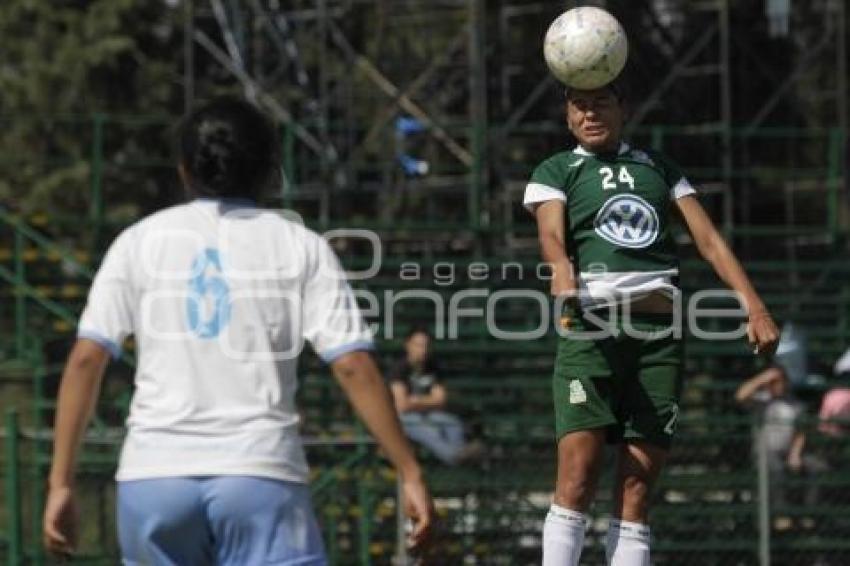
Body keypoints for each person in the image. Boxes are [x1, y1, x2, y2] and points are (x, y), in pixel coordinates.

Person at [42, 96, 434, 564]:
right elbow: (352, 365)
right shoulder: (300, 245)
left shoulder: (137, 241)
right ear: (270, 169)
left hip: (153, 476)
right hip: (259, 473)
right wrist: (409, 471)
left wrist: (61, 482)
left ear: (185, 168)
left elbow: (87, 358)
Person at [523, 81, 780, 566]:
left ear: (625, 107)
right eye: (579, 105)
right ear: (567, 115)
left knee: (637, 488)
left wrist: (755, 305)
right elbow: (551, 235)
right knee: (578, 476)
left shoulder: (659, 168)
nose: (590, 114)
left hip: (657, 342)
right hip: (591, 334)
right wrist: (561, 270)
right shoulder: (556, 170)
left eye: (601, 103)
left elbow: (708, 241)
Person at [389, 327, 482, 465]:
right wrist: (428, 401)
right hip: (403, 418)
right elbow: (402, 405)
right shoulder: (399, 369)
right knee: (429, 430)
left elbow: (441, 400)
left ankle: (460, 458)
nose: (423, 350)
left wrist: (416, 401)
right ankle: (455, 457)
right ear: (408, 346)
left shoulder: (433, 368)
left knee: (452, 423)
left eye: (426, 346)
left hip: (428, 413)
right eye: (418, 345)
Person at [735, 366, 816, 522]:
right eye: (772, 382)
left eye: (779, 381)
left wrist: (795, 454)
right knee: (776, 468)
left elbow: (800, 432)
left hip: (789, 452)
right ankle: (781, 515)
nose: (776, 385)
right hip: (765, 453)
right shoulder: (761, 401)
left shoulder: (796, 405)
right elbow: (740, 396)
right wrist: (763, 378)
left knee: (816, 467)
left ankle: (809, 514)